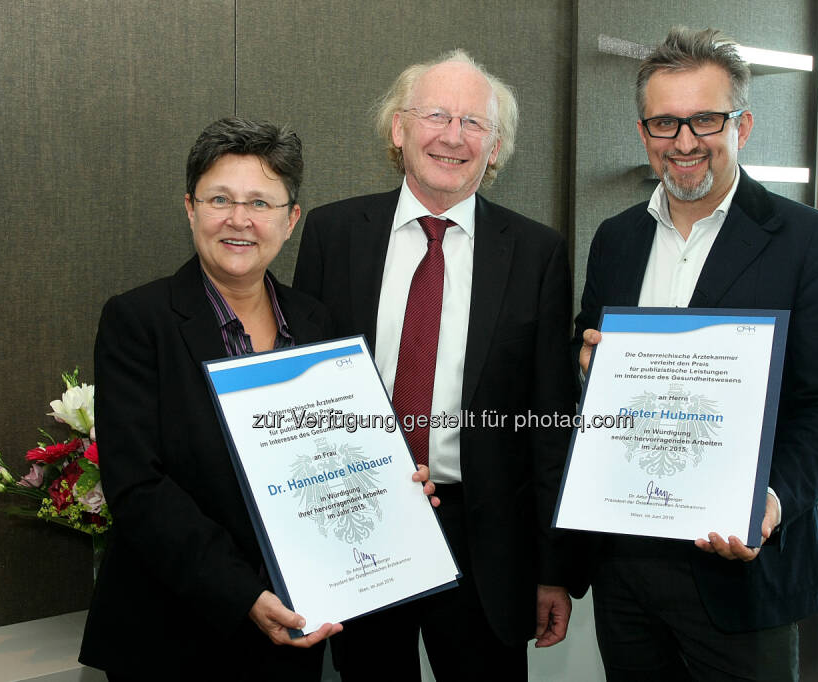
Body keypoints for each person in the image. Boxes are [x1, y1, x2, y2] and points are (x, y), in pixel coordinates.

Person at [79, 117, 436, 681]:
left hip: (292, 632)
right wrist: (242, 592)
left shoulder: (320, 324)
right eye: (220, 198)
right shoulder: (137, 321)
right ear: (190, 208)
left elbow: (346, 455)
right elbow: (139, 489)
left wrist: (396, 489)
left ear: (290, 220)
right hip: (172, 632)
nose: (239, 219)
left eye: (261, 203)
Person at [574, 28, 818, 681]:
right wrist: (588, 363)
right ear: (643, 130)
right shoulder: (616, 239)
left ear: (743, 125)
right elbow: (587, 345)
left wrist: (773, 498)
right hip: (628, 568)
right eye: (664, 122)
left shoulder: (808, 241)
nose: (683, 142)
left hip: (743, 572)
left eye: (705, 119)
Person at [293, 50, 577, 681]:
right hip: (361, 526)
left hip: (487, 543)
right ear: (399, 129)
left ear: (495, 146)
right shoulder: (331, 234)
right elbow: (303, 397)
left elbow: (552, 425)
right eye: (437, 115)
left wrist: (555, 568)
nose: (453, 136)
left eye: (474, 123)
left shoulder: (537, 254)